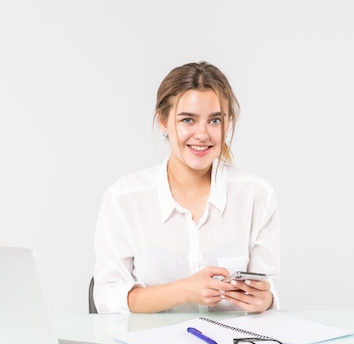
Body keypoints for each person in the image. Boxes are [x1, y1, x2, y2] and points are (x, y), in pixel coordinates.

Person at [93, 61, 280, 314]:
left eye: (215, 120)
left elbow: (268, 290)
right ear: (163, 120)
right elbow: (108, 297)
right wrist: (183, 291)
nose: (203, 134)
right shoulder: (124, 199)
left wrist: (264, 300)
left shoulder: (256, 195)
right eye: (188, 120)